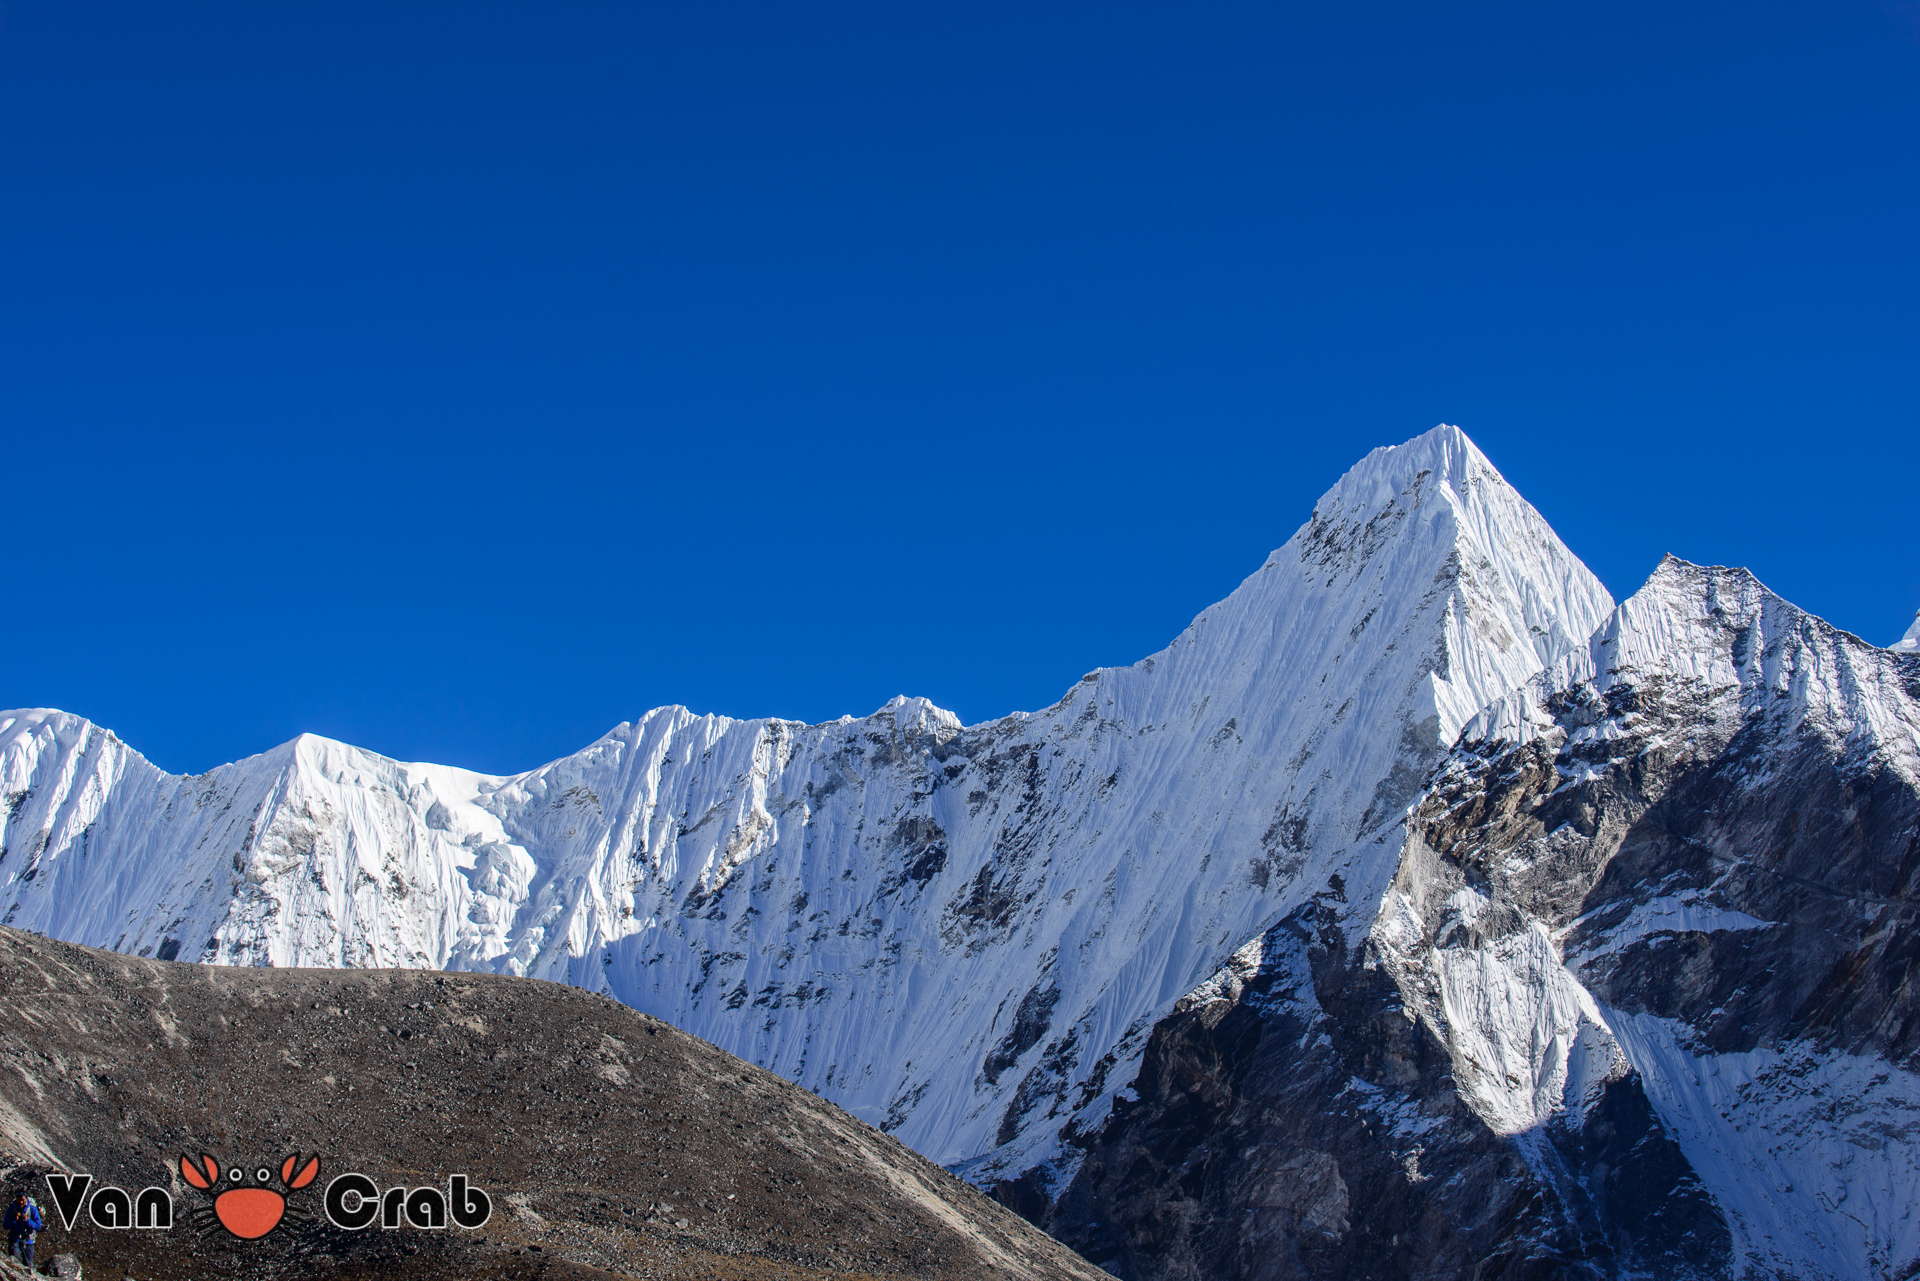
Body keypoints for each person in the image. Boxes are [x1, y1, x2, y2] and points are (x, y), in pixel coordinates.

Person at [3, 1189, 40, 1269]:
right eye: (19, 1200)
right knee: (15, 1264)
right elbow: (5, 1225)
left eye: (22, 1200)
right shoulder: (11, 1209)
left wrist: (27, 1220)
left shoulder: (32, 1209)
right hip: (15, 1239)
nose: (21, 1202)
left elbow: (38, 1226)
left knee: (28, 1264)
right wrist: (14, 1220)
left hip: (28, 1240)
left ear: (26, 1198)